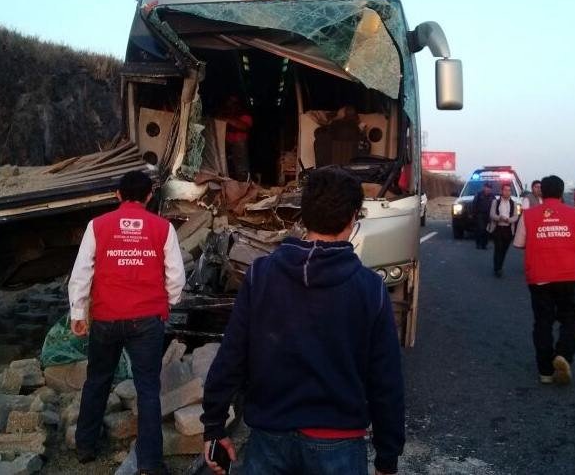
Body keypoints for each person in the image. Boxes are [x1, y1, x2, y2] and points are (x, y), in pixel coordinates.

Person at [201, 167, 404, 475]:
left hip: (268, 439)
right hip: (339, 444)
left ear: (303, 215)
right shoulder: (370, 288)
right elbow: (386, 379)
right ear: (353, 218)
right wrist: (387, 457)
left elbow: (231, 355)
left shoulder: (261, 275)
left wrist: (214, 427)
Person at [68, 171, 186, 474]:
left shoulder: (97, 226)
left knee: (97, 380)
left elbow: (81, 273)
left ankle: (85, 446)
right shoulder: (163, 227)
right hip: (146, 320)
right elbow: (176, 276)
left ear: (118, 195)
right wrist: (168, 302)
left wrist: (78, 314)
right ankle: (150, 463)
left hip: (106, 318)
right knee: (148, 389)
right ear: (149, 196)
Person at [513, 175, 575, 385]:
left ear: (542, 192)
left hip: (540, 276)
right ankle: (563, 354)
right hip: (569, 275)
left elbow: (518, 244)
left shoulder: (528, 216)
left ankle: (545, 371)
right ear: (561, 192)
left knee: (543, 322)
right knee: (570, 318)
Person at [488, 183, 519, 277]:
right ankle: (497, 268)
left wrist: (509, 220)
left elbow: (516, 216)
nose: (507, 192)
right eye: (505, 190)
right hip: (498, 228)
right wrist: (499, 218)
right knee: (498, 248)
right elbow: (492, 214)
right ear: (501, 191)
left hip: (508, 229)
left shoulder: (513, 203)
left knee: (504, 250)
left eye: (509, 190)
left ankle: (500, 266)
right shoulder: (495, 202)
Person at [222, 94, 253, 181]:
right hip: (227, 146)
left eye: (234, 103)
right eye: (230, 103)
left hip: (239, 147)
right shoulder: (225, 115)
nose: (232, 106)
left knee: (242, 171)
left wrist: (227, 120)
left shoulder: (245, 116)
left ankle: (244, 185)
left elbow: (244, 127)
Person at [472, 182, 495, 250]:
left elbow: (495, 205)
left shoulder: (492, 196)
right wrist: (474, 214)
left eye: (489, 188)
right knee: (481, 229)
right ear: (484, 187)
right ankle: (478, 244)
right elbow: (474, 204)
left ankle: (484, 245)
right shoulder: (479, 195)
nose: (488, 189)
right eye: (487, 187)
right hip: (480, 214)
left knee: (487, 230)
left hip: (489, 215)